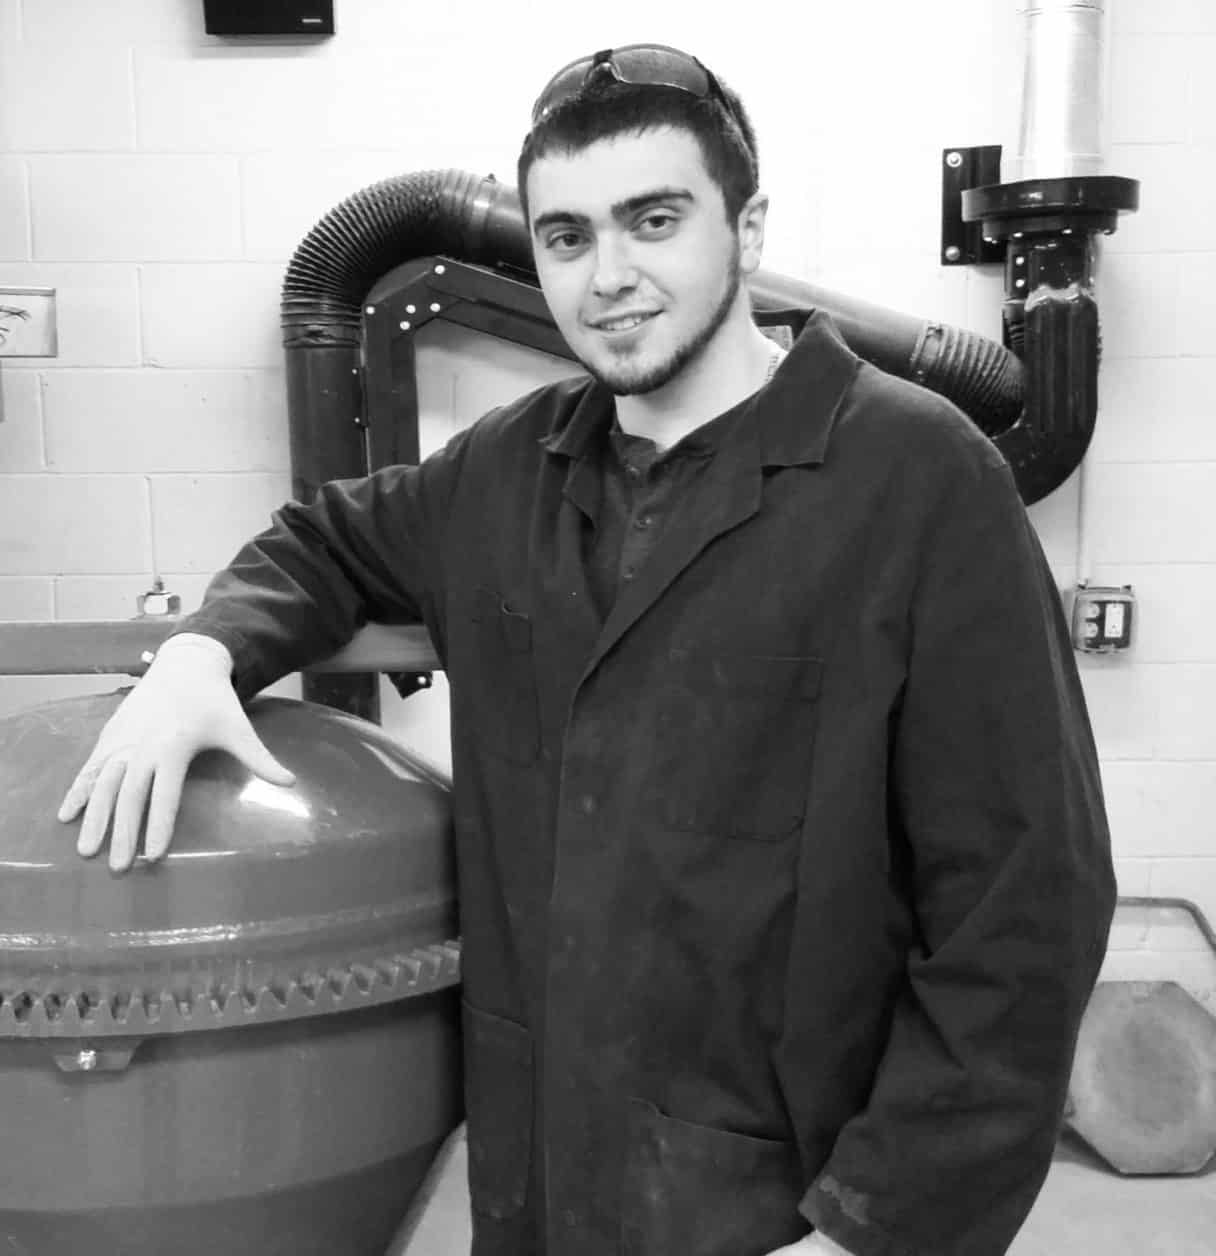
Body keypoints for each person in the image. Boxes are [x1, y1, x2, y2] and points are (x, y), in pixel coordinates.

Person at [57, 43, 1116, 1256]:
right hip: (542, 1182)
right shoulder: (509, 471)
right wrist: (202, 655)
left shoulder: (919, 480)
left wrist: (876, 1226)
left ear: (747, 226)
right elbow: (323, 539)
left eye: (652, 220)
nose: (607, 275)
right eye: (565, 237)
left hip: (787, 1202)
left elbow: (1024, 909)